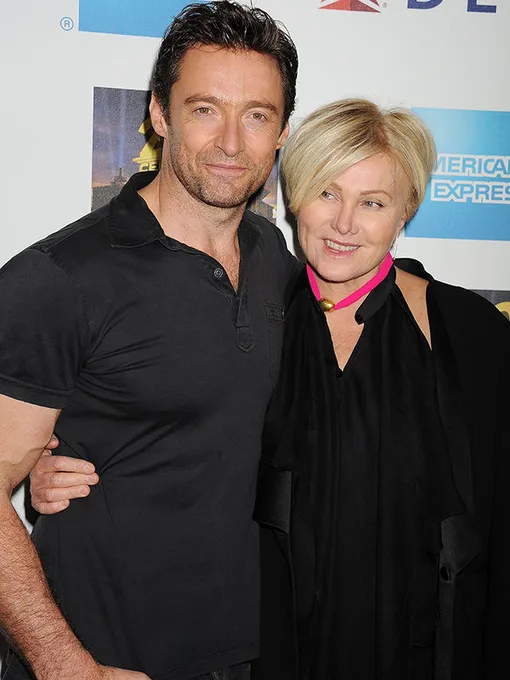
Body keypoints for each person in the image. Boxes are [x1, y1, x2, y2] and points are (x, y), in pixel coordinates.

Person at [0, 2, 299, 679]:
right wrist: (63, 664)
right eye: (205, 109)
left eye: (257, 115)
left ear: (282, 130)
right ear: (159, 114)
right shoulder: (61, 277)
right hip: (103, 659)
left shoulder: (273, 254)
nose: (231, 142)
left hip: (245, 651)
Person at [251, 99, 510, 680]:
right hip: (276, 653)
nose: (344, 223)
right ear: (295, 197)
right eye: (327, 193)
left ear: (404, 212)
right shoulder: (252, 323)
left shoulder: (472, 335)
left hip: (423, 656)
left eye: (372, 202)